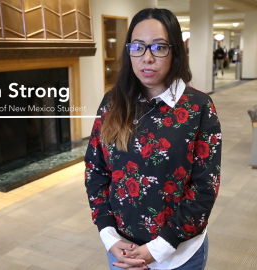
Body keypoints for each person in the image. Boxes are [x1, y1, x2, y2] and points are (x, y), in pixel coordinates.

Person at [84, 8, 221, 270]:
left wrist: (158, 248)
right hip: (122, 250)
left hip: (179, 253)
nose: (147, 58)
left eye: (159, 47)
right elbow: (95, 169)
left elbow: (205, 188)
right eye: (137, 47)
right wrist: (107, 234)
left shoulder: (199, 106)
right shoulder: (112, 103)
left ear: (175, 52)